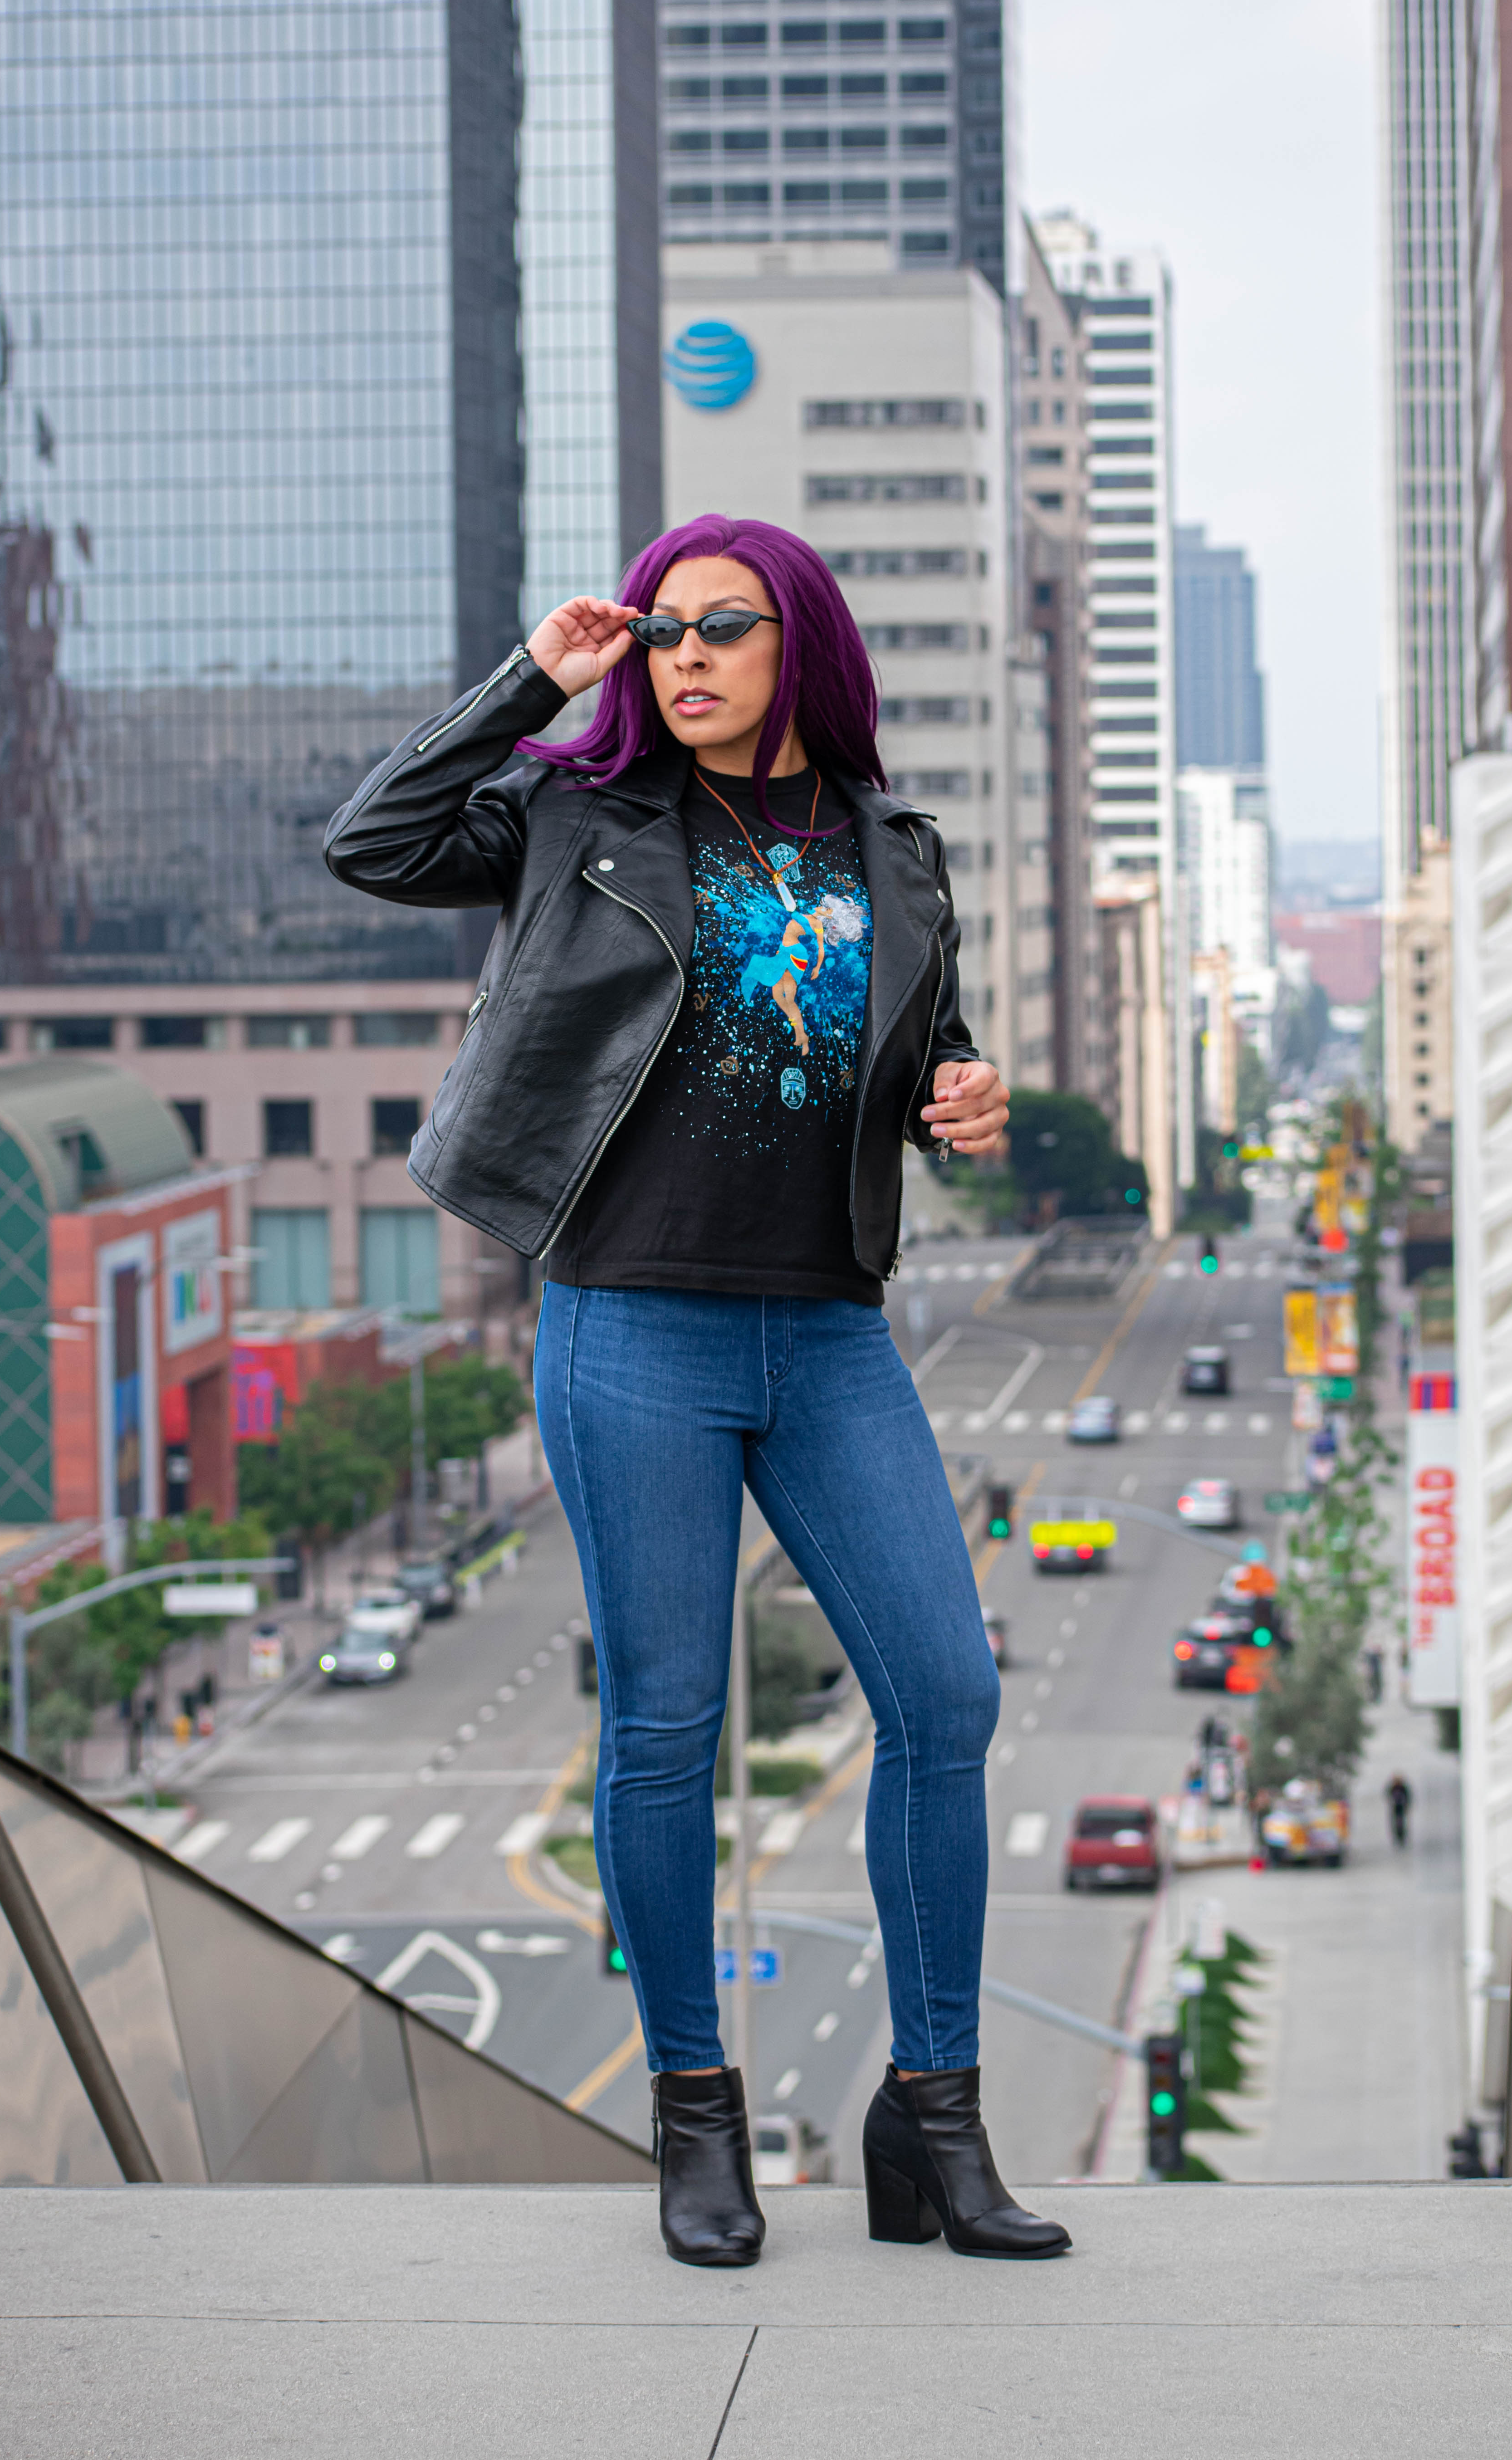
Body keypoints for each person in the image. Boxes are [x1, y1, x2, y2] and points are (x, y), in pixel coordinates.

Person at [324, 513, 1070, 2270]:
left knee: (947, 1702)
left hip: (825, 1334)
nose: (689, 657)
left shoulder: (898, 847)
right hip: (631, 1327)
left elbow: (903, 1047)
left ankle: (934, 2119)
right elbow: (376, 843)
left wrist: (953, 1092)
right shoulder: (578, 819)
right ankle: (693, 2117)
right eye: (663, 633)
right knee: (665, 1731)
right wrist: (535, 681)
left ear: (799, 638)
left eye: (724, 626)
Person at [1386, 1774, 1413, 1848]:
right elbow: (1388, 1796)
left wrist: (1407, 1805)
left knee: (1402, 1823)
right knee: (1396, 1823)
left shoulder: (1403, 1788)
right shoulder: (1393, 1788)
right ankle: (1397, 1837)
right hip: (1395, 1808)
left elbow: (1408, 1797)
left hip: (1402, 1807)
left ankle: (1402, 1837)